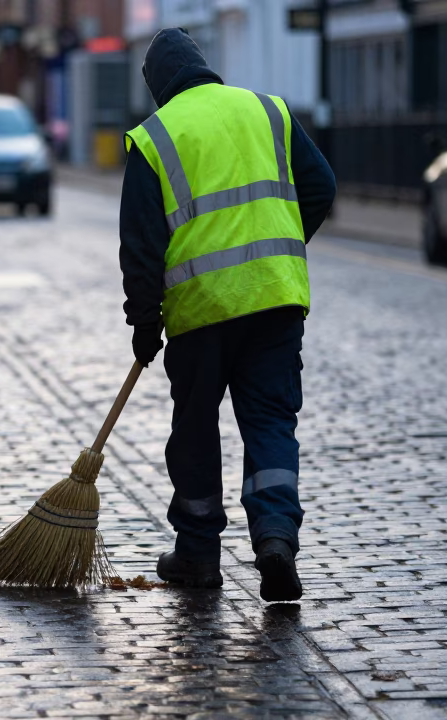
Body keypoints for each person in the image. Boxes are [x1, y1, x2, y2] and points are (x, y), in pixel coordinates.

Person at [119, 28, 336, 601]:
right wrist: (281, 244)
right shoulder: (268, 110)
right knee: (270, 423)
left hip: (201, 315)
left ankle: (197, 555)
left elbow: (141, 246)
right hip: (275, 300)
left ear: (157, 87)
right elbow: (321, 186)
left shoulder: (156, 137)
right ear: (202, 66)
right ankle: (275, 539)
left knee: (195, 429)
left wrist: (143, 322)